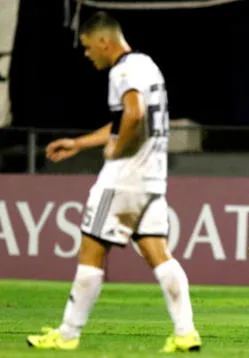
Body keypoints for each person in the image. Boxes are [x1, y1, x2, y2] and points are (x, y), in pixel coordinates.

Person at [25, 11, 201, 352]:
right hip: (152, 179)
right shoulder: (147, 66)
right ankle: (185, 332)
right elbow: (128, 120)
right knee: (159, 254)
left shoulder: (122, 70)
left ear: (105, 42)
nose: (88, 54)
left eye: (89, 47)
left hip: (122, 179)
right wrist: (79, 143)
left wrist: (114, 151)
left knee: (90, 251)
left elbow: (133, 115)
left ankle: (67, 334)